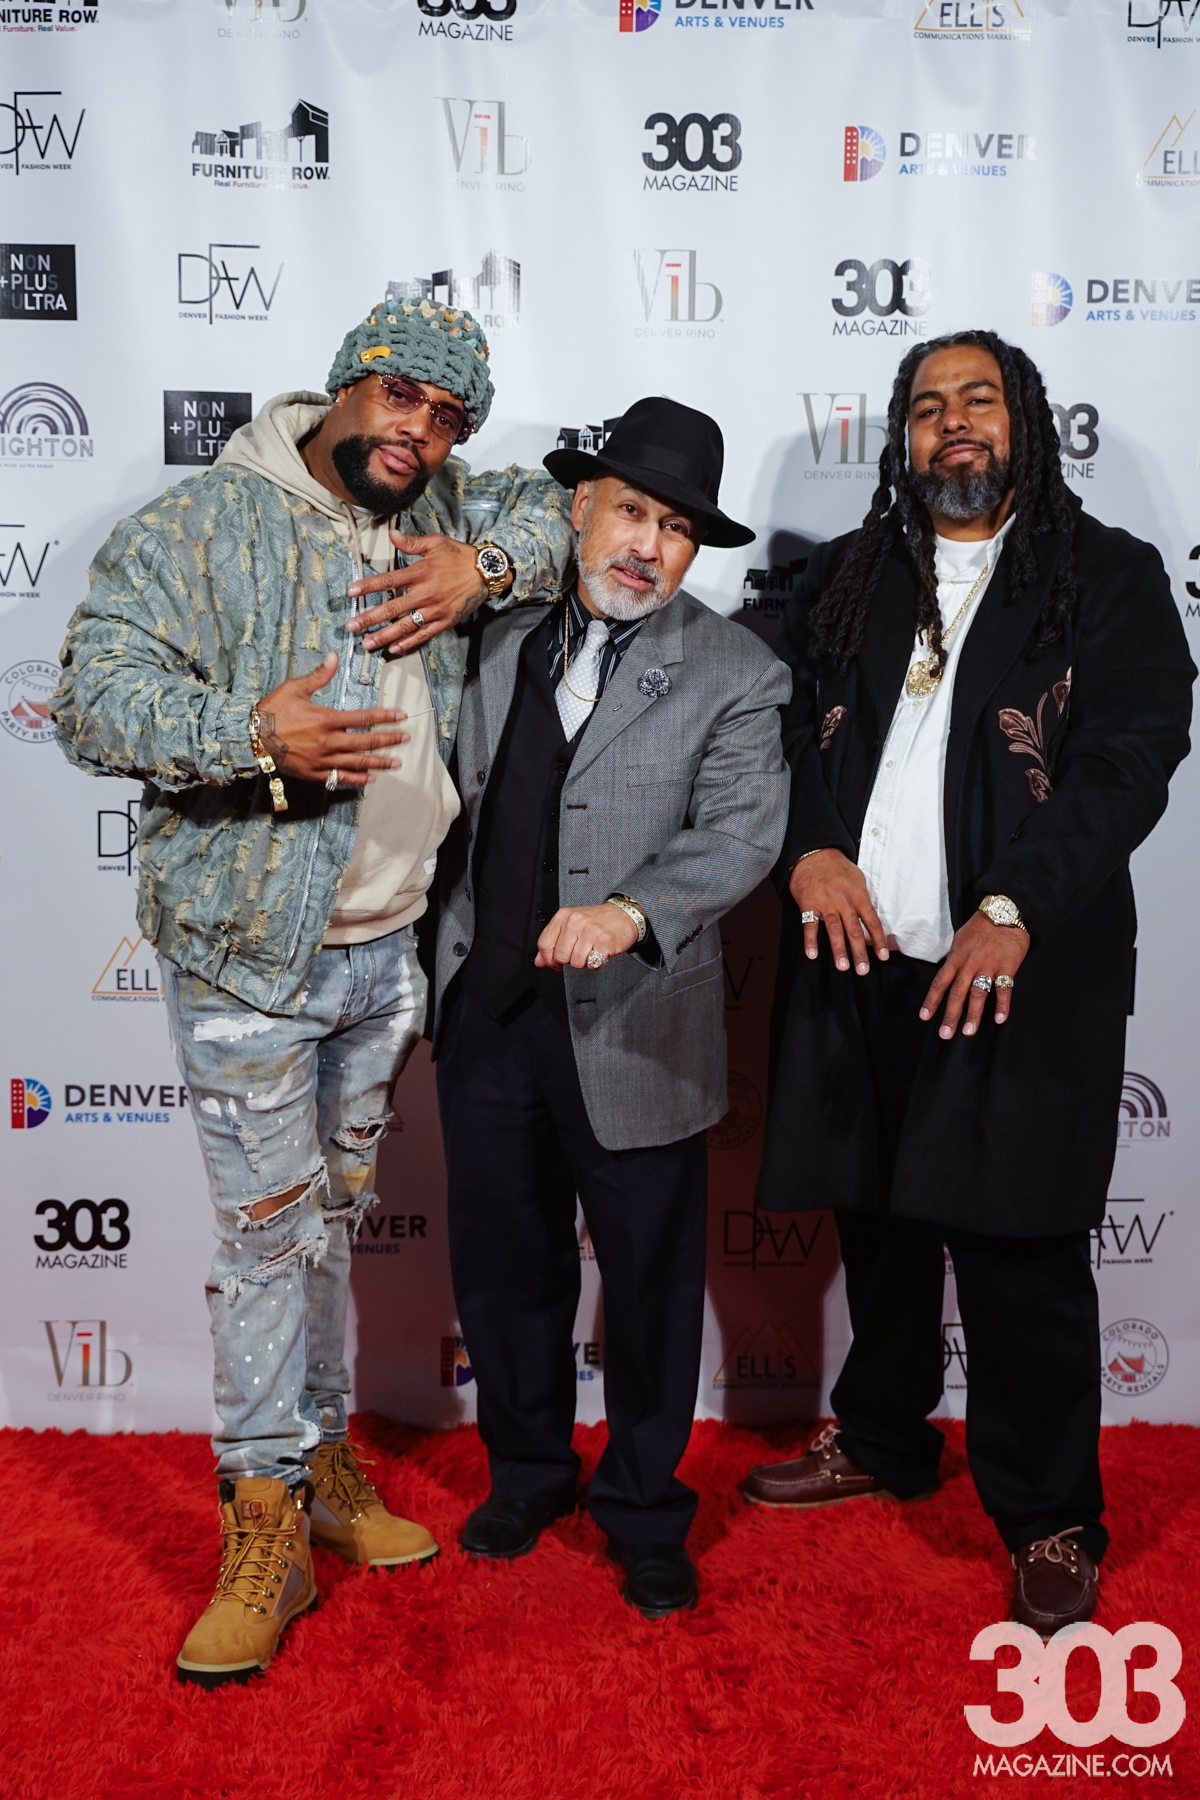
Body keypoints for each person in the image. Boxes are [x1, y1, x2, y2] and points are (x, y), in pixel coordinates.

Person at [51, 297, 574, 1687]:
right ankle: (261, 1520)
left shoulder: (443, 507)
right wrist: (247, 732)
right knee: (266, 1241)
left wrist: (485, 565)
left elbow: (565, 515)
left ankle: (324, 1464)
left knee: (330, 1227)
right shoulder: (201, 523)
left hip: (388, 950)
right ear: (346, 385)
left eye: (449, 417)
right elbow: (91, 695)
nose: (421, 432)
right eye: (403, 398)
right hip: (249, 955)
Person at [740, 330, 1194, 1637]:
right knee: (875, 1230)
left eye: (978, 400)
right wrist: (808, 848)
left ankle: (1051, 1516)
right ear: (902, 437)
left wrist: (1014, 908)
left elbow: (1130, 755)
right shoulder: (846, 576)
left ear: (1023, 422)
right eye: (928, 405)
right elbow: (771, 728)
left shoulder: (1104, 574)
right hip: (858, 959)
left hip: (1014, 973)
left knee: (1020, 1254)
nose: (953, 423)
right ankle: (885, 1436)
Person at [431, 397, 790, 1620]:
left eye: (676, 528)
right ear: (578, 507)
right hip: (488, 1014)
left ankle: (643, 1508)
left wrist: (632, 911)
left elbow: (740, 833)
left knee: (646, 1286)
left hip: (637, 1028)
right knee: (504, 1267)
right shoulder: (494, 636)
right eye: (630, 510)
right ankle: (528, 1474)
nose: (646, 545)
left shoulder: (737, 672)